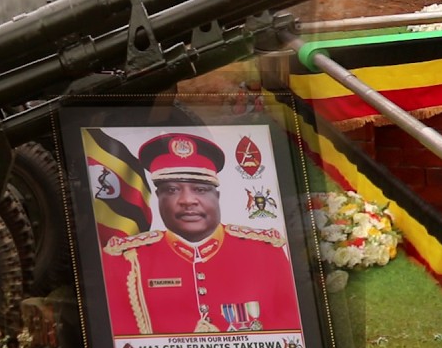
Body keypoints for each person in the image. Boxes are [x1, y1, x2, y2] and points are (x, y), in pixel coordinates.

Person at [100, 133, 301, 336]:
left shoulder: (265, 252)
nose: (187, 200)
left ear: (217, 196)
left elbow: (291, 334)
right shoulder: (126, 259)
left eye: (200, 189)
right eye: (172, 190)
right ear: (158, 198)